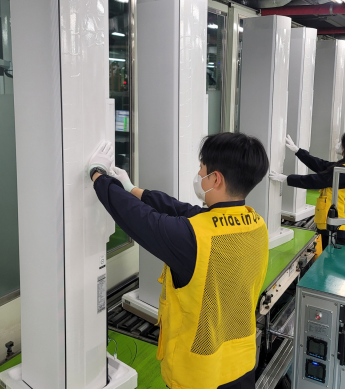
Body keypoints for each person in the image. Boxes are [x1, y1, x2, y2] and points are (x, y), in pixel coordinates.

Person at [88, 132, 270, 389]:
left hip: (199, 376)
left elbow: (138, 218)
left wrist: (98, 176)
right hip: (241, 365)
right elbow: (180, 209)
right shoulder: (256, 224)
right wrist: (131, 188)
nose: (198, 174)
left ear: (216, 178)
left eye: (202, 169)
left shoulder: (192, 239)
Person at [270, 131, 345, 249]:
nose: (339, 144)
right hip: (342, 222)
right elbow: (322, 165)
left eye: (342, 142)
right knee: (334, 255)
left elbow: (315, 180)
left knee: (332, 255)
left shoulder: (344, 172)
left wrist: (286, 179)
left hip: (336, 224)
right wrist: (298, 151)